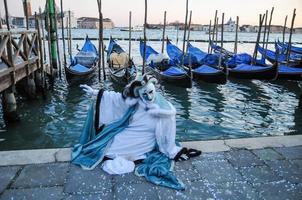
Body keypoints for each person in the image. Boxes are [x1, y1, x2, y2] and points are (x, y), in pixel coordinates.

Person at [72, 75, 201, 189]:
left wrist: (172, 150)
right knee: (108, 146)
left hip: (145, 142)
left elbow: (168, 132)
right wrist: (96, 92)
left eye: (151, 92)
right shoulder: (136, 101)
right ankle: (123, 158)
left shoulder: (165, 109)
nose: (149, 96)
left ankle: (127, 159)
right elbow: (117, 100)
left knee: (111, 151)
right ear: (139, 94)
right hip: (129, 133)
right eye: (145, 94)